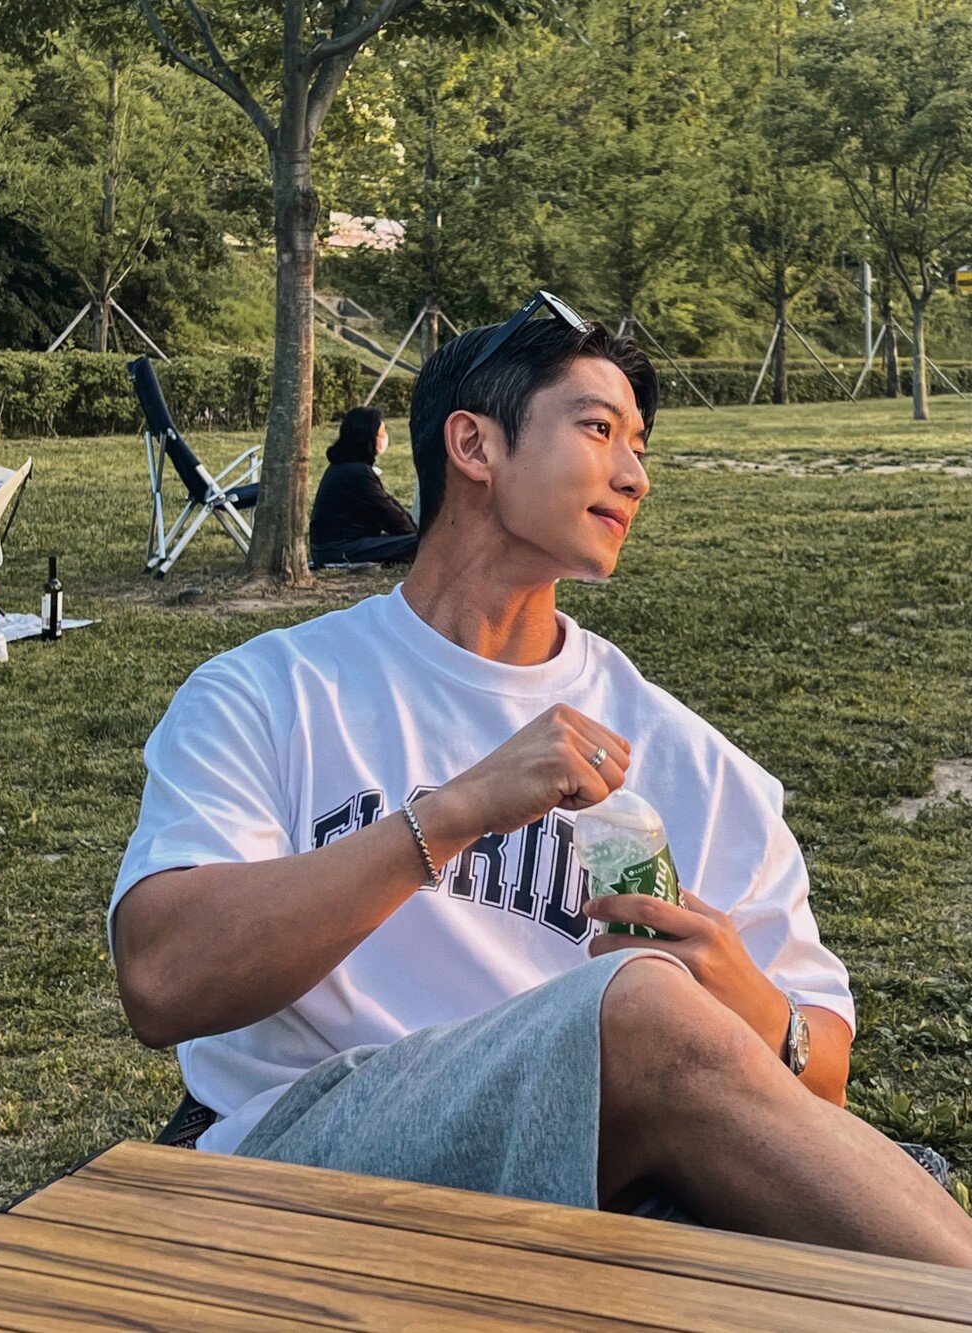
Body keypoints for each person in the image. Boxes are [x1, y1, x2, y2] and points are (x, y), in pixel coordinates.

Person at [110, 292, 972, 1267]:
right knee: (639, 1011)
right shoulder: (272, 692)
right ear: (474, 446)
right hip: (310, 1166)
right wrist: (453, 812)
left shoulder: (689, 757)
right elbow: (162, 980)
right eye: (598, 429)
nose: (635, 474)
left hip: (598, 1181)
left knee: (702, 1071)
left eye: (639, 445)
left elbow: (820, 1089)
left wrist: (743, 995)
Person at [308, 405, 418, 566]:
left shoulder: (348, 467)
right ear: (368, 438)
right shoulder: (356, 473)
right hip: (338, 550)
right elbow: (388, 514)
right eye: (381, 435)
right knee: (422, 543)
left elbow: (388, 504)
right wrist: (416, 536)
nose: (384, 439)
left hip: (335, 547)